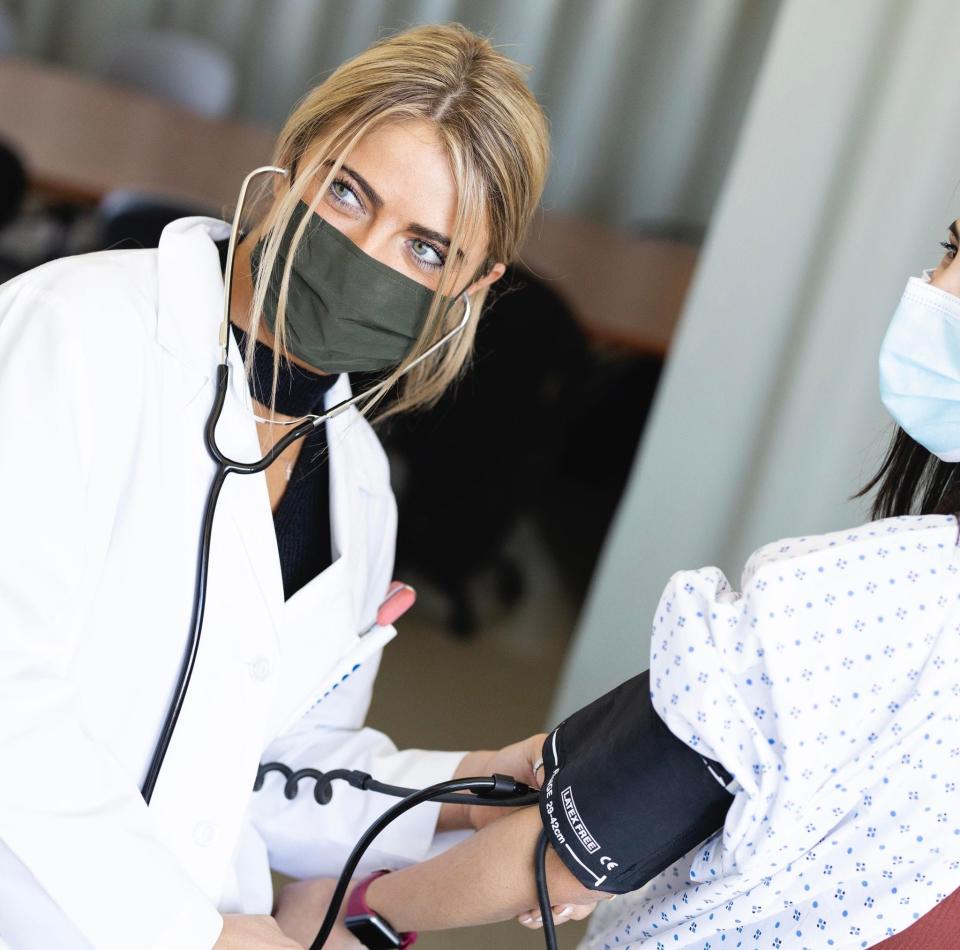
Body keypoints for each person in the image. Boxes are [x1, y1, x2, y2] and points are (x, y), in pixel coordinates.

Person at [0, 23, 560, 949]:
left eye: (425, 248)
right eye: (348, 194)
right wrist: (196, 933)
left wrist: (463, 787)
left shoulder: (360, 483)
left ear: (475, 283)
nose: (368, 256)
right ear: (294, 159)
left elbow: (264, 762)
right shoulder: (77, 333)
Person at [275, 228, 960, 948]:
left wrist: (365, 911)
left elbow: (580, 849)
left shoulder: (874, 597)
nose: (937, 290)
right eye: (950, 249)